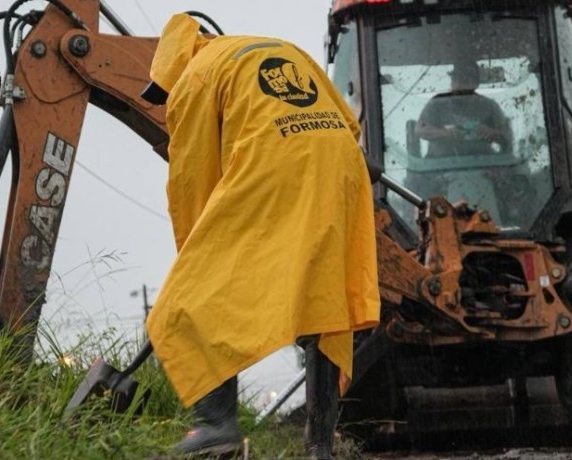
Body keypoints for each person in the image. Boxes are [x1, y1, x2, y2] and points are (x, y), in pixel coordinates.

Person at [140, 13, 380, 459]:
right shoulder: (276, 50)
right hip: (343, 168)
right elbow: (348, 126)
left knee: (189, 301)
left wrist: (199, 258)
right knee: (324, 307)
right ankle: (320, 447)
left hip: (277, 164)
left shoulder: (194, 77)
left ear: (172, 65)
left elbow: (194, 178)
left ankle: (216, 427)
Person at [415, 61, 512, 157]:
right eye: (455, 79)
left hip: (483, 165)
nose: (458, 86)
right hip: (439, 166)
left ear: (475, 84)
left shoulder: (489, 106)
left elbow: (507, 138)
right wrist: (446, 133)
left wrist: (491, 133)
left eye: (464, 81)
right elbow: (420, 130)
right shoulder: (437, 104)